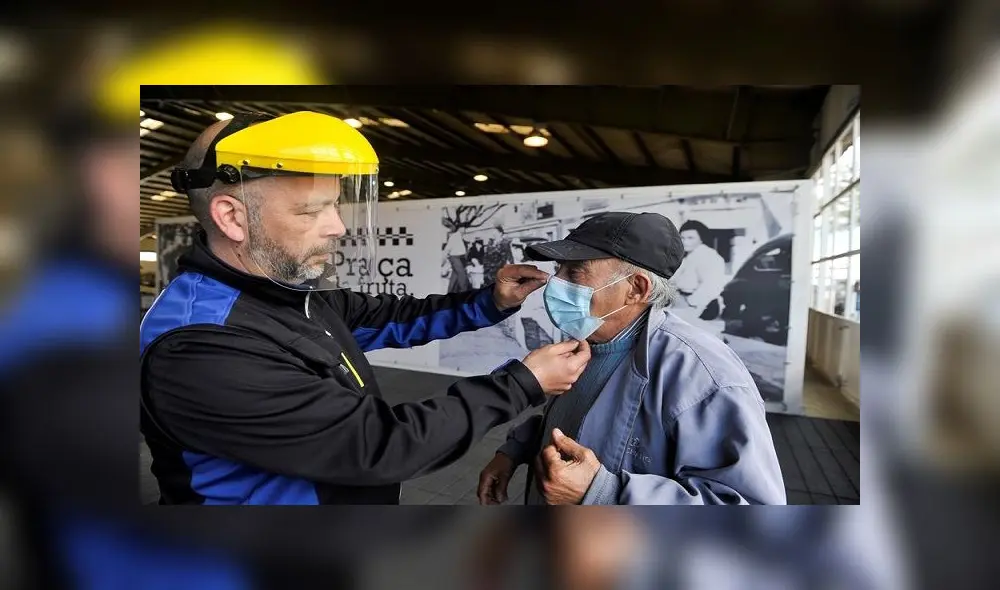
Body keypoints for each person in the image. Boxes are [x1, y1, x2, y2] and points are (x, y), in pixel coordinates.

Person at [140, 111, 592, 505]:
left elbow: (393, 319)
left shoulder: (284, 293)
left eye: (335, 205)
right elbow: (379, 446)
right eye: (310, 212)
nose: (336, 227)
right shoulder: (200, 346)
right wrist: (522, 384)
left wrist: (491, 301)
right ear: (232, 217)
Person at [477, 212, 785, 505]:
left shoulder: (703, 376)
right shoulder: (589, 342)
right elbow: (574, 421)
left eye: (574, 272)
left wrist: (603, 493)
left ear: (636, 288)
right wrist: (514, 451)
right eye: (559, 268)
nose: (555, 283)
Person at [670, 219, 727, 320]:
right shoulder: (689, 256)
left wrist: (690, 303)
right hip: (682, 300)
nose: (685, 241)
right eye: (682, 238)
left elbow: (711, 286)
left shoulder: (708, 256)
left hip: (699, 305)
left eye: (691, 238)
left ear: (701, 239)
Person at [443, 224, 471, 292]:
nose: (465, 230)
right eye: (463, 228)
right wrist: (443, 260)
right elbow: (447, 248)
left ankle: (449, 293)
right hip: (455, 258)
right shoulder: (454, 237)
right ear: (459, 229)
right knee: (462, 276)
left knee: (454, 277)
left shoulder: (460, 237)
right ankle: (463, 293)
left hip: (459, 259)